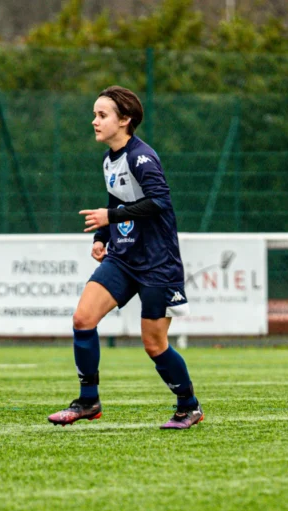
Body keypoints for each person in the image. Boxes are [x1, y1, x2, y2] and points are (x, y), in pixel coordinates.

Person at [47, 85, 203, 429]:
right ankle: (88, 401)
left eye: (102, 115)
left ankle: (188, 406)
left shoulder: (141, 157)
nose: (94, 121)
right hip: (122, 257)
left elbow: (160, 201)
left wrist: (111, 217)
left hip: (157, 263)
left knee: (154, 344)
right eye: (95, 114)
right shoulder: (109, 160)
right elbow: (116, 200)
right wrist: (102, 236)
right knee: (82, 319)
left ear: (125, 120)